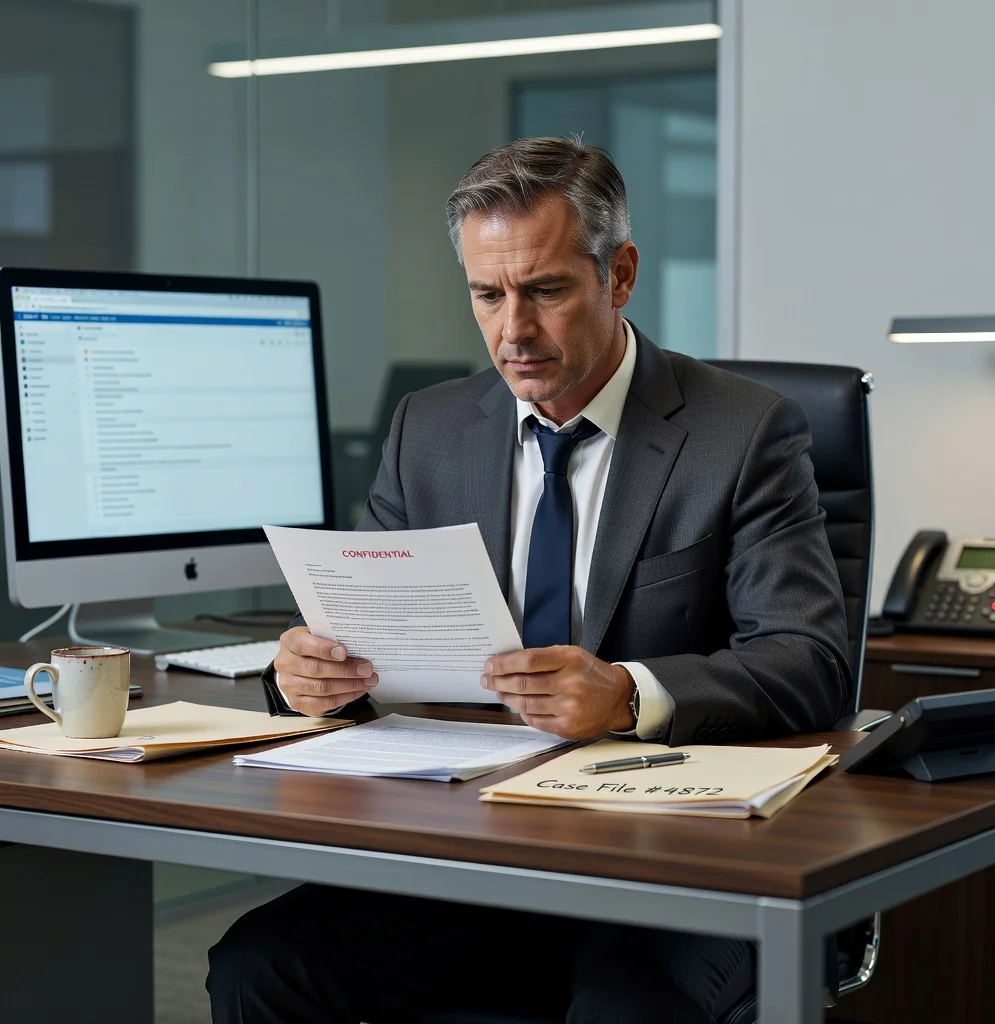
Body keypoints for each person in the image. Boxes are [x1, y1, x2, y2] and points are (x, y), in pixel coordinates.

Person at [207, 136, 851, 1024]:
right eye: (488, 294)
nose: (513, 330)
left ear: (619, 276)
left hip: (664, 859)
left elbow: (810, 661)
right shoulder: (429, 429)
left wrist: (628, 694)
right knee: (260, 968)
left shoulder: (743, 433)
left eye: (545, 291)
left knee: (627, 1009)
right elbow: (362, 638)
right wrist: (308, 679)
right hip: (470, 845)